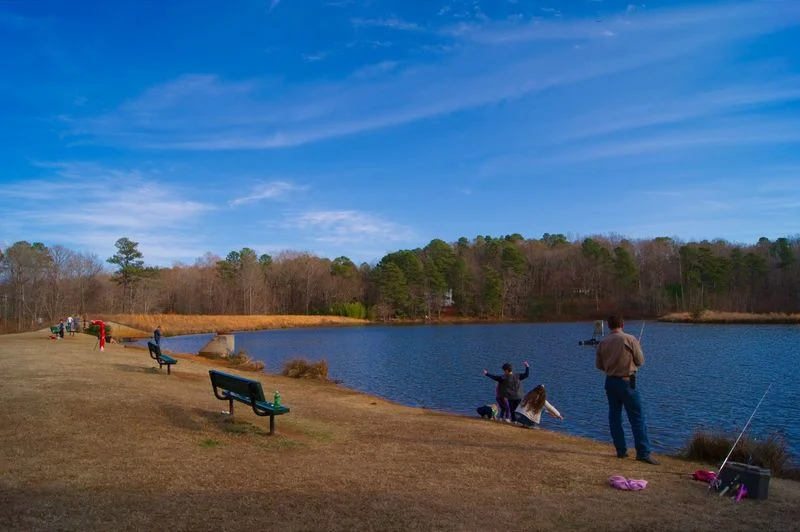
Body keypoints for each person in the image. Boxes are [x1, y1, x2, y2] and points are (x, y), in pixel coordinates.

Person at [595, 315, 659, 465]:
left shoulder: (603, 342)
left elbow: (599, 365)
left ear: (609, 325)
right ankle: (643, 453)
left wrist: (611, 367)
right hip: (626, 382)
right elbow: (640, 361)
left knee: (615, 417)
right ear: (622, 324)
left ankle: (621, 451)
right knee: (637, 418)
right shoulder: (630, 339)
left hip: (610, 382)